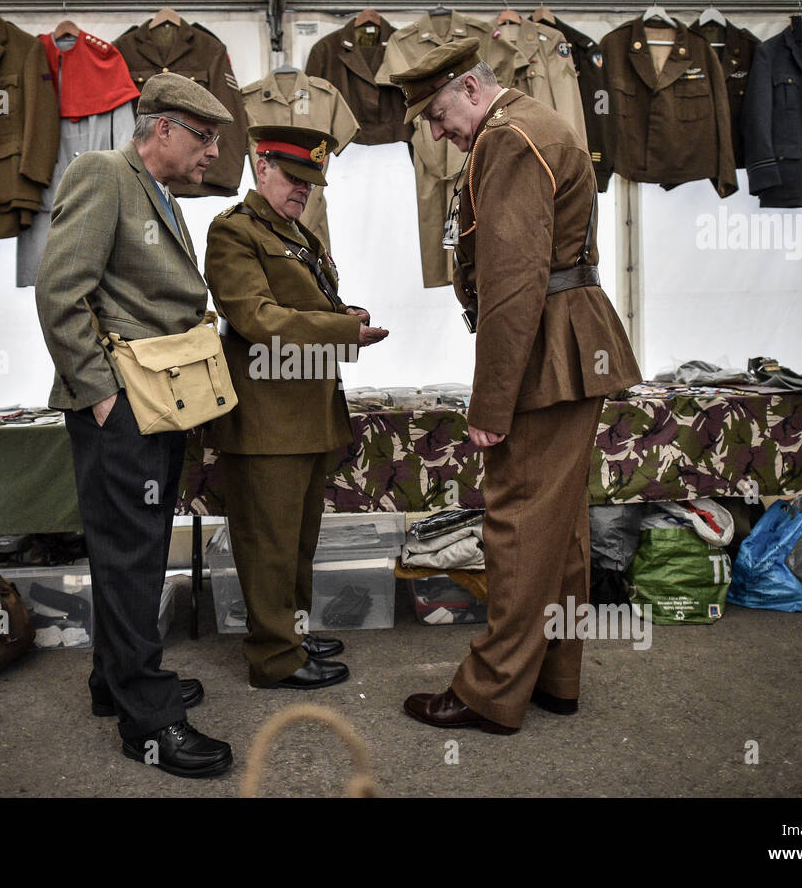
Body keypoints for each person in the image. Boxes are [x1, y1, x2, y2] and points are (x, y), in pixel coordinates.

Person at [390, 39, 641, 733]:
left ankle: (490, 690)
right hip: (568, 342)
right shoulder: (537, 123)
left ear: (471, 89)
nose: (438, 132)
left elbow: (513, 280)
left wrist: (490, 402)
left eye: (439, 115)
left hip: (542, 350)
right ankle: (555, 676)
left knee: (517, 522)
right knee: (557, 529)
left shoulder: (506, 139)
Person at [34, 73, 235, 778]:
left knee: (135, 553)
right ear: (165, 129)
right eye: (206, 137)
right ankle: (147, 717)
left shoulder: (158, 195)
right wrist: (101, 396)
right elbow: (61, 289)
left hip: (155, 402)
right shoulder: (104, 173)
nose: (214, 152)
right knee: (129, 556)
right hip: (123, 406)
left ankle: (111, 679)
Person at [203, 125, 389, 690]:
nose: (302, 191)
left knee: (299, 544)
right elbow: (258, 318)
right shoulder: (234, 232)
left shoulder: (293, 234)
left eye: (311, 182)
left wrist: (344, 315)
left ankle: (293, 634)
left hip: (303, 413)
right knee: (269, 549)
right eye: (293, 178)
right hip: (265, 419)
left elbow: (306, 305)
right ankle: (273, 659)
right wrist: (343, 332)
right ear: (262, 167)